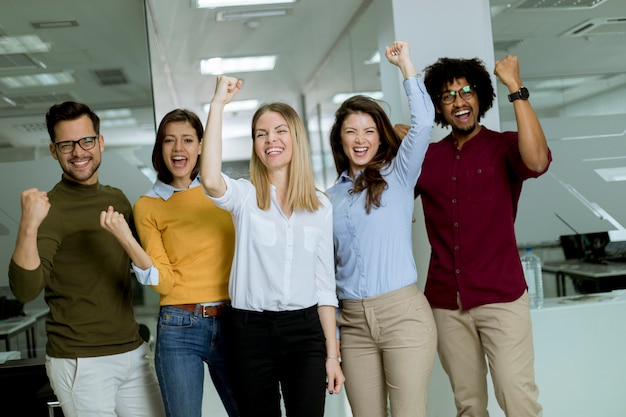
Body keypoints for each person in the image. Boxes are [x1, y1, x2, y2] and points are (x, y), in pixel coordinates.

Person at [8, 101, 165, 417]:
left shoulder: (116, 198)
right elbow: (25, 291)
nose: (78, 152)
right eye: (66, 144)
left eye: (86, 141)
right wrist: (28, 224)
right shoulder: (50, 210)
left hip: (132, 352)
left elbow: (147, 266)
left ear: (100, 142)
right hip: (80, 361)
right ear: (54, 151)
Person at [199, 75, 344, 417]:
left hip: (305, 332)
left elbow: (325, 288)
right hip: (250, 333)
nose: (270, 140)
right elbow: (208, 179)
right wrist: (217, 104)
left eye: (279, 131)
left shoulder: (320, 207)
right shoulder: (245, 198)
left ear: (295, 138)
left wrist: (332, 355)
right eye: (261, 134)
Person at [414, 55, 551, 417]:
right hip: (446, 302)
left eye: (466, 92)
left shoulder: (504, 146)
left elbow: (537, 161)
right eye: (448, 96)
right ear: (439, 108)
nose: (459, 102)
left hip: (501, 297)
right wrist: (404, 137)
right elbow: (387, 191)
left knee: (516, 395)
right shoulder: (427, 159)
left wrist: (515, 88)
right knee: (469, 405)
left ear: (480, 97)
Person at [99, 109, 240, 417]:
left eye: (188, 140)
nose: (179, 149)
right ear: (159, 148)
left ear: (201, 145)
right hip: (179, 324)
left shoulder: (226, 194)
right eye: (169, 141)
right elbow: (163, 282)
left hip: (234, 321)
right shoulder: (148, 205)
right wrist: (126, 239)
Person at [326, 41, 437, 417]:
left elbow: (423, 124)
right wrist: (334, 339)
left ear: (380, 135)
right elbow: (327, 270)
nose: (360, 140)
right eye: (351, 131)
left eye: (369, 131)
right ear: (339, 138)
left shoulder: (400, 174)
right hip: (353, 323)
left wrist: (406, 65)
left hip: (403, 315)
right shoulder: (328, 200)